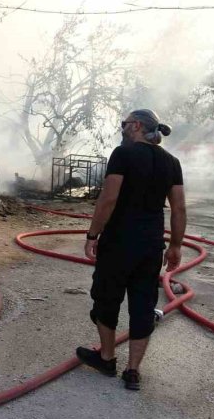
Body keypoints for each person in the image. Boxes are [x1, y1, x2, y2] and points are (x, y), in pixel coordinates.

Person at [76, 109, 186, 391]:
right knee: (143, 304)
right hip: (151, 245)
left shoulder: (122, 155)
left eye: (124, 124)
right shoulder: (172, 163)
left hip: (118, 242)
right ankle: (133, 371)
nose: (122, 129)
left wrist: (92, 235)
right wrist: (175, 245)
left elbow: (109, 198)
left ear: (136, 126)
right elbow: (179, 208)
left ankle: (107, 358)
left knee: (106, 299)